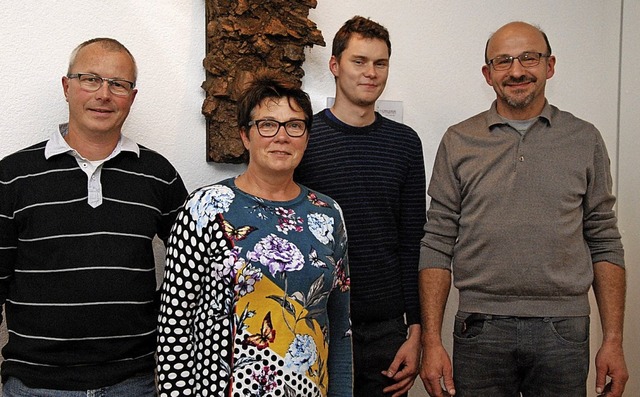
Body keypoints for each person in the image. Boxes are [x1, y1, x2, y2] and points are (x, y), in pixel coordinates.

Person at [418, 21, 628, 397]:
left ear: (550, 66)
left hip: (563, 329)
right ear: (488, 74)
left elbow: (604, 239)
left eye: (529, 58)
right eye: (503, 61)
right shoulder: (458, 140)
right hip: (480, 328)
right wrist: (431, 342)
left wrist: (613, 339)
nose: (517, 71)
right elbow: (437, 241)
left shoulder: (584, 138)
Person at [0, 38, 188, 395]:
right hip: (37, 386)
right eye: (90, 79)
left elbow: (194, 267)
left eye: (118, 84)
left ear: (132, 97)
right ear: (67, 86)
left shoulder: (157, 174)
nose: (104, 94)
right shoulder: (13, 175)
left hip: (135, 383)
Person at [156, 72, 352, 397]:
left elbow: (340, 323)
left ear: (306, 136)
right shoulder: (206, 208)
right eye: (267, 124)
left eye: (294, 125)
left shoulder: (328, 213)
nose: (281, 136)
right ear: (245, 136)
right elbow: (175, 325)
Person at [295, 16, 426, 397]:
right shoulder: (303, 138)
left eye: (380, 63)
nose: (371, 73)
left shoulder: (405, 143)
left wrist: (415, 330)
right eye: (359, 61)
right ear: (335, 66)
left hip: (386, 327)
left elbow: (412, 239)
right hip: (315, 318)